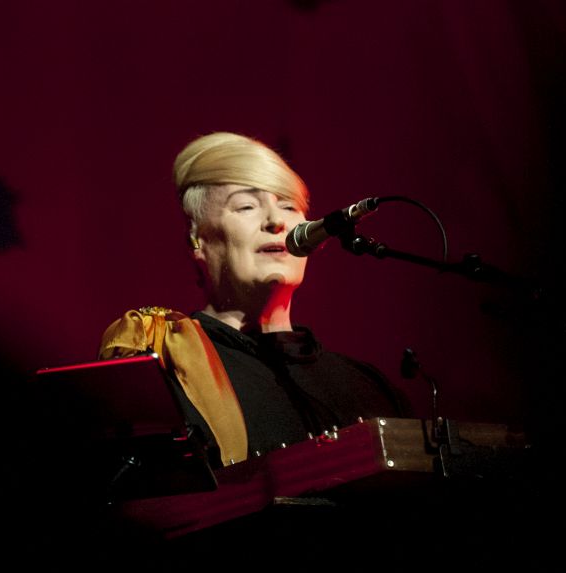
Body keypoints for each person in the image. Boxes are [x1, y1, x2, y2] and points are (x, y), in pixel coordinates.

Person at [100, 131, 412, 467]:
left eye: (289, 206)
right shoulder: (164, 364)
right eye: (246, 206)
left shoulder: (370, 388)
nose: (276, 221)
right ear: (197, 241)